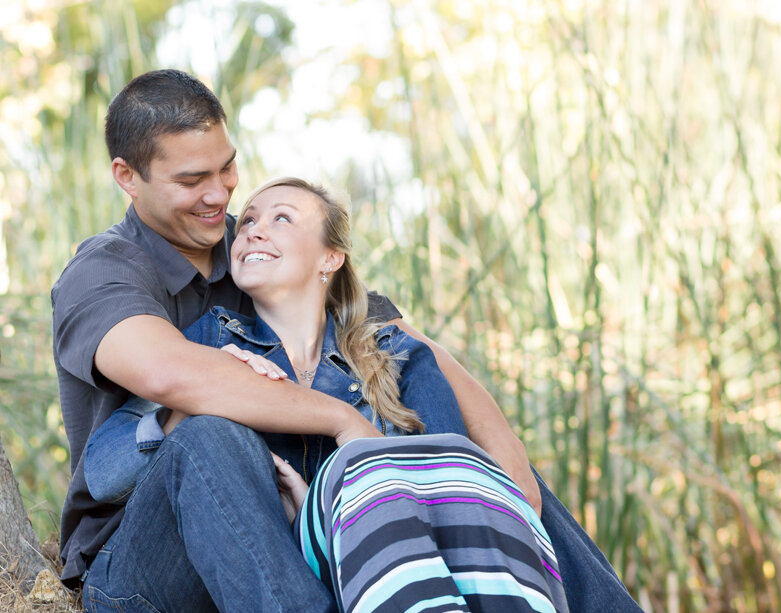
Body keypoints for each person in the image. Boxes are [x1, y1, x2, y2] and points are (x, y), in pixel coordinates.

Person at [51, 69, 641, 611]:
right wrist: (344, 423)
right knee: (209, 434)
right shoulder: (107, 270)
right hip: (149, 558)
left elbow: (408, 346)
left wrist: (507, 478)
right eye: (191, 180)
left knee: (484, 470)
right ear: (127, 177)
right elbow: (170, 376)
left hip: (294, 536)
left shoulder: (259, 251)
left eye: (226, 168)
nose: (220, 196)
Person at [85, 177, 568, 612]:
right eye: (248, 220)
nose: (252, 230)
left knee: (501, 488)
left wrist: (318, 517)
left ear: (330, 258)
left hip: (342, 583)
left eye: (281, 218)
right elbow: (103, 473)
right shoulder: (211, 341)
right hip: (159, 584)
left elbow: (454, 503)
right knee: (208, 435)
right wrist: (193, 401)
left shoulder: (398, 358)